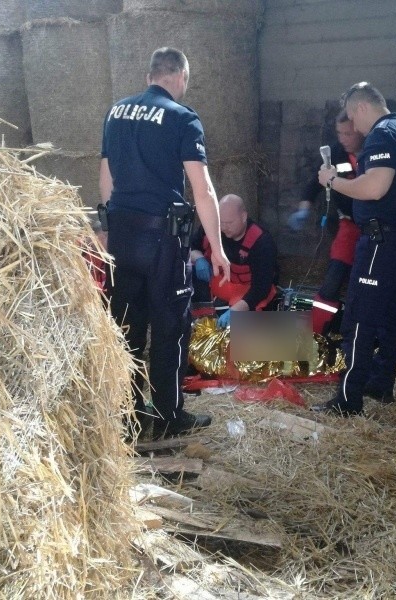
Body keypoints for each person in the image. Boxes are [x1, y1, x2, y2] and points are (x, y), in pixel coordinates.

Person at [100, 47, 230, 438]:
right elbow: (202, 190)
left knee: (126, 326)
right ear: (181, 77)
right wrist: (218, 247)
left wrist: (106, 227)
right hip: (161, 239)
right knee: (171, 325)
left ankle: (128, 413)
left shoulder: (115, 112)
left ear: (149, 75)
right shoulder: (182, 118)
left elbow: (106, 175)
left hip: (122, 234)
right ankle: (169, 416)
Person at [313, 82, 396, 416]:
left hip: (381, 240)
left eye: (352, 117)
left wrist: (332, 181)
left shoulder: (381, 134)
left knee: (359, 316)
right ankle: (381, 382)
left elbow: (375, 187)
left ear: (361, 107)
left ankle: (348, 399)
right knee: (390, 312)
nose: (354, 127)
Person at [289, 111, 364, 335]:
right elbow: (315, 183)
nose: (343, 138)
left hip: (374, 229)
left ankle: (353, 334)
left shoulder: (375, 152)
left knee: (362, 283)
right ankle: (313, 334)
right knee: (333, 278)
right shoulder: (336, 153)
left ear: (360, 130)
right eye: (339, 133)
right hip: (349, 225)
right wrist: (304, 208)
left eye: (348, 133)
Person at [190, 194, 278, 327]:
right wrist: (199, 259)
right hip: (218, 282)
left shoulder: (261, 242)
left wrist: (236, 311)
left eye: (229, 223)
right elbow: (190, 248)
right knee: (188, 271)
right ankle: (201, 324)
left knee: (248, 325)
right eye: (221, 222)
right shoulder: (212, 227)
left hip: (247, 290)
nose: (224, 228)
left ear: (243, 217)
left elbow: (261, 288)